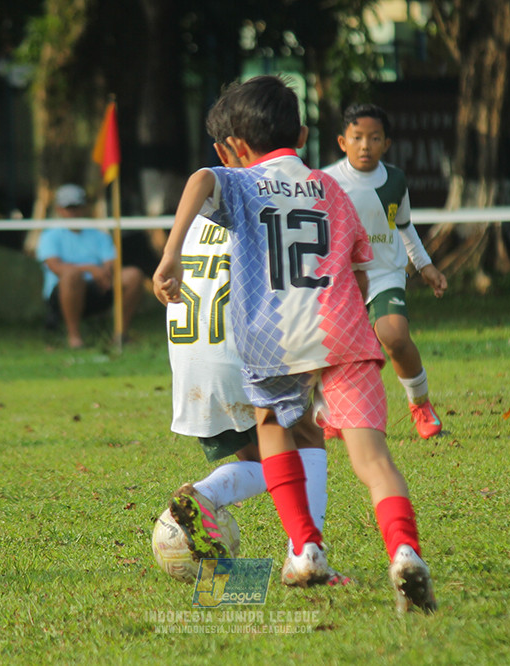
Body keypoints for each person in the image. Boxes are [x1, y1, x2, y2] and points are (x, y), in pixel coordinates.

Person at [153, 76, 437, 613]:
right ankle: (402, 551)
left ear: (234, 147)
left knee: (275, 431)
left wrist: (167, 257)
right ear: (305, 134)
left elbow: (200, 180)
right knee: (372, 459)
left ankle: (305, 548)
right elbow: (357, 265)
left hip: (266, 340)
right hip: (342, 335)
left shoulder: (237, 186)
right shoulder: (334, 189)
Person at [165, 95, 350, 586]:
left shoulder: (206, 208)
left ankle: (210, 498)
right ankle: (303, 551)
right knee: (304, 436)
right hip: (243, 351)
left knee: (268, 458)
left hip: (192, 364)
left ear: (226, 149)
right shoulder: (268, 197)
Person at [323, 103, 448, 440]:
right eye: (358, 137)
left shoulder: (395, 180)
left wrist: (425, 266)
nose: (366, 145)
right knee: (337, 347)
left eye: (375, 138)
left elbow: (404, 227)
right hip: (342, 279)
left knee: (394, 336)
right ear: (342, 141)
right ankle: (334, 413)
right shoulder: (327, 181)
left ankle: (420, 405)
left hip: (384, 274)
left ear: (387, 144)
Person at [36, 184, 143, 349]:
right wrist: (90, 269)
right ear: (59, 209)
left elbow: (110, 261)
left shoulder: (99, 234)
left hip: (98, 287)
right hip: (63, 292)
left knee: (133, 275)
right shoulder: (50, 236)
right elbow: (55, 267)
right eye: (69, 208)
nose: (73, 212)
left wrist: (105, 273)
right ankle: (75, 338)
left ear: (84, 208)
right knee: (72, 276)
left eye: (77, 207)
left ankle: (120, 334)